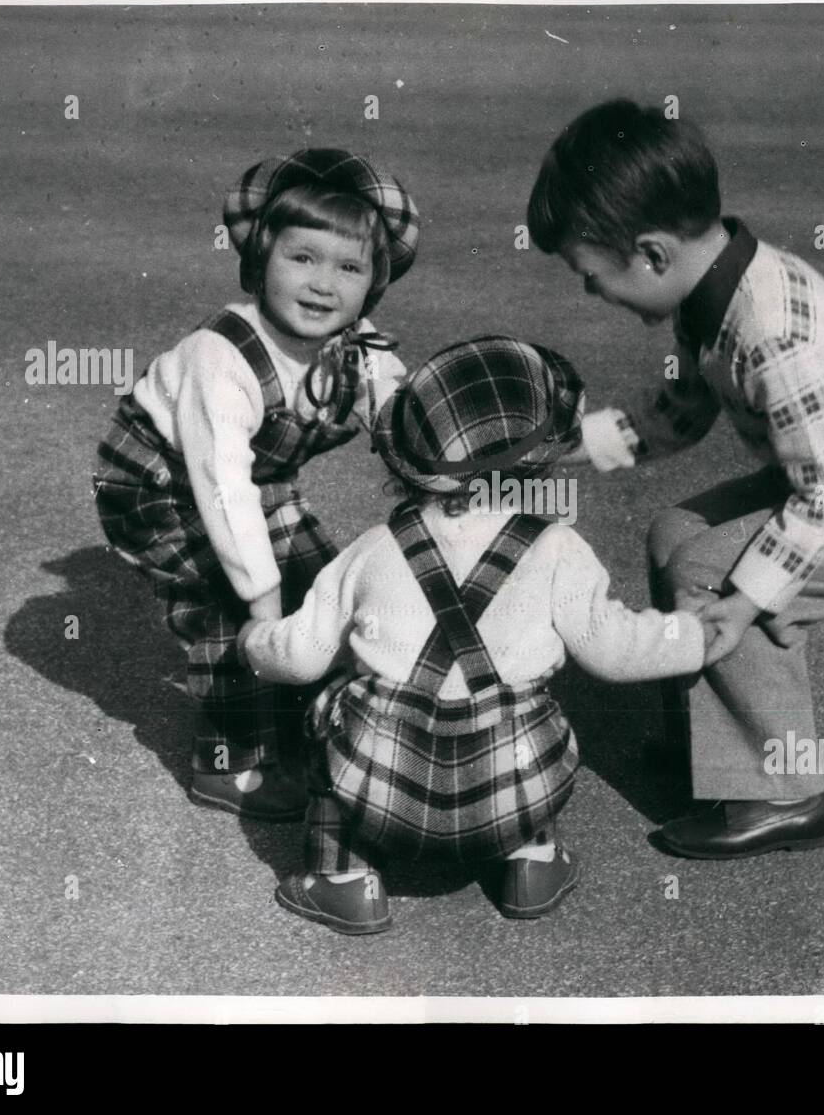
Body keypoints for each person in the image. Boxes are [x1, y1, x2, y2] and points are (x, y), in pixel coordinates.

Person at [527, 99, 824, 859]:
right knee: (677, 532)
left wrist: (744, 602)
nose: (590, 293)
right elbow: (678, 417)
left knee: (712, 572)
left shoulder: (770, 332)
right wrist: (561, 447)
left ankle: (783, 792)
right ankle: (719, 750)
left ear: (651, 254)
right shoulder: (712, 288)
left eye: (590, 275)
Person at [238, 336, 710, 934]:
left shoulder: (372, 549)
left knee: (332, 709)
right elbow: (614, 651)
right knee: (528, 711)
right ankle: (531, 864)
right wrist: (694, 634)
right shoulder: (557, 549)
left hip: (382, 792)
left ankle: (346, 880)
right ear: (541, 464)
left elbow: (302, 657)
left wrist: (255, 639)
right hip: (511, 788)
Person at [93, 148, 418, 821]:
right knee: (230, 613)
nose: (324, 284)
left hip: (257, 479)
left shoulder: (358, 347)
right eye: (303, 258)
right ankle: (230, 761)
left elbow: (406, 418)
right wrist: (262, 601)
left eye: (349, 267)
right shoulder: (222, 355)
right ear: (260, 258)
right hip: (159, 488)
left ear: (374, 284)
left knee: (325, 582)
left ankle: (308, 719)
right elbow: (221, 489)